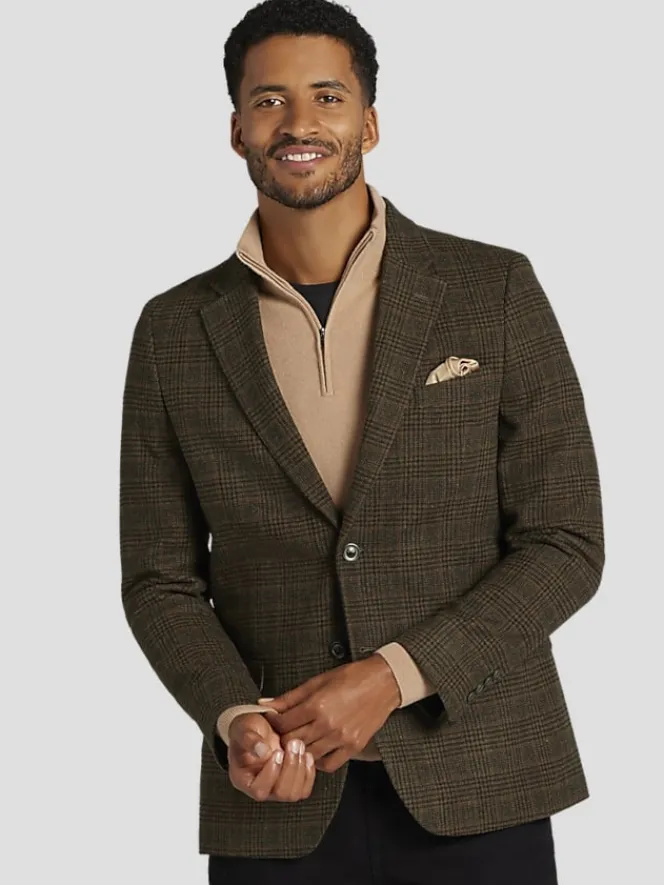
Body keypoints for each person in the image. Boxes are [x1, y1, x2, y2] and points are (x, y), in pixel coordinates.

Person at [118, 0, 605, 882]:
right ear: (235, 130)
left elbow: (564, 543)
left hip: (481, 780)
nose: (298, 122)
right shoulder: (174, 331)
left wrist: (393, 674)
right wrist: (234, 718)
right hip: (277, 800)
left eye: (327, 96)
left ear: (369, 124)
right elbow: (161, 579)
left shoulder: (491, 288)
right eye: (269, 100)